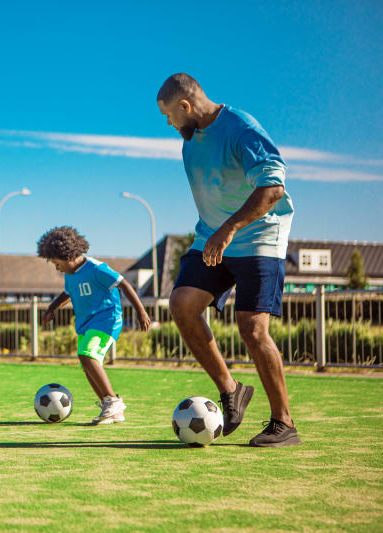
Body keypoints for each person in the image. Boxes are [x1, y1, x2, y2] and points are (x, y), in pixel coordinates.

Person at [157, 73, 301, 447]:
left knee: (252, 328)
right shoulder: (190, 144)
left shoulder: (241, 128)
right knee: (182, 304)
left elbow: (273, 188)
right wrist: (215, 232)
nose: (169, 124)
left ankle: (283, 424)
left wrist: (229, 229)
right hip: (211, 236)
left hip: (259, 238)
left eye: (170, 115)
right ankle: (231, 389)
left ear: (186, 107)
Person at [38, 226, 152, 425]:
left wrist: (141, 311)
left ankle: (113, 401)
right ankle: (112, 410)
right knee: (86, 364)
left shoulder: (96, 268)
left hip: (107, 319)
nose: (56, 268)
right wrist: (52, 308)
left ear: (68, 256)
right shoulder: (70, 275)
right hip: (85, 323)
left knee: (87, 354)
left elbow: (123, 283)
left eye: (57, 263)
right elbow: (67, 294)